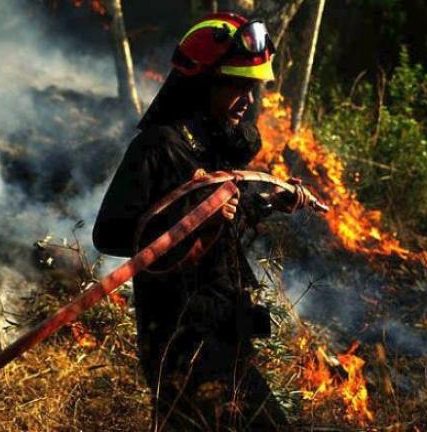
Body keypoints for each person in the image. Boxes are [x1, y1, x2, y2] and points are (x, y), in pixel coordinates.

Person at [93, 12, 299, 431]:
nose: (247, 99)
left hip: (225, 331)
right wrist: (188, 218)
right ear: (202, 83)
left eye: (252, 87)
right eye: (236, 86)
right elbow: (109, 233)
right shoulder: (158, 146)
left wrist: (266, 202)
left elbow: (222, 222)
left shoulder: (215, 143)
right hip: (181, 341)